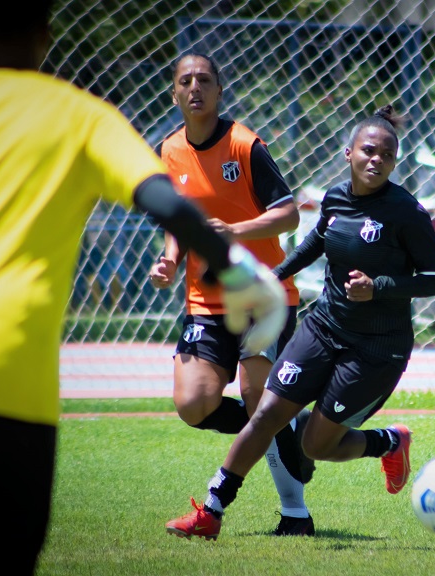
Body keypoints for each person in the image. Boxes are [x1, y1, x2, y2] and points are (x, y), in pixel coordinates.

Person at [0, 2, 286, 574]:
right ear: (47, 34)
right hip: (6, 385)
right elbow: (166, 203)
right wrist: (239, 271)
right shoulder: (80, 117)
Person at [165, 104, 435, 534]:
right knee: (267, 412)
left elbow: (433, 278)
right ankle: (211, 512)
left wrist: (379, 287)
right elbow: (315, 242)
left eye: (386, 156)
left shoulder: (406, 212)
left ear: (394, 162)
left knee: (315, 444)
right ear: (347, 153)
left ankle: (389, 441)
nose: (376, 160)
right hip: (325, 326)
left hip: (376, 348)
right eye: (368, 150)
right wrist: (271, 278)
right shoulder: (334, 198)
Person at [151, 53, 315, 539]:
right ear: (175, 94)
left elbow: (289, 215)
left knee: (254, 395)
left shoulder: (246, 145)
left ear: (219, 92)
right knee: (193, 404)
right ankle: (288, 430)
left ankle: (295, 516)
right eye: (186, 80)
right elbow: (179, 222)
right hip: (205, 300)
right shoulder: (169, 150)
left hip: (263, 297)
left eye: (205, 79)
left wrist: (236, 231)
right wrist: (170, 258)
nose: (195, 87)